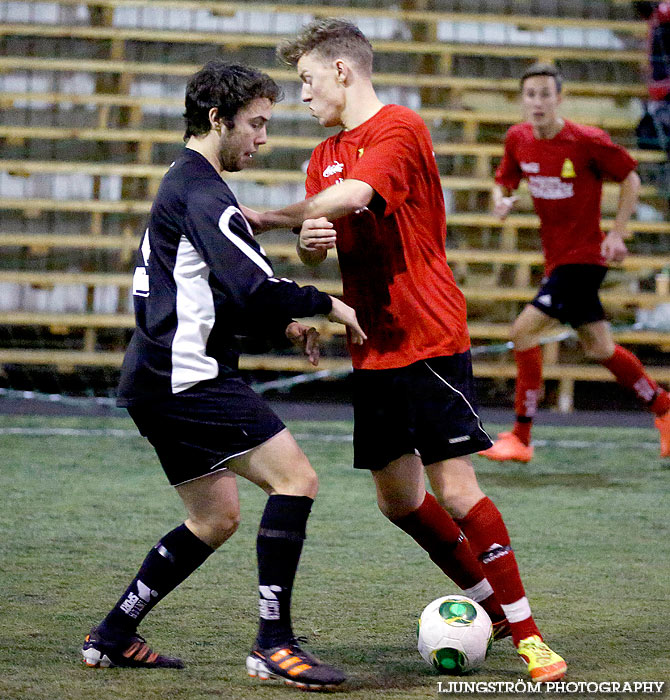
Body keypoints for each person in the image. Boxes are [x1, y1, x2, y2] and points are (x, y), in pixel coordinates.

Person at [247, 19, 566, 683]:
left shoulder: (400, 127)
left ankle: (529, 635)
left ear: (343, 70)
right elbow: (328, 222)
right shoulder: (321, 155)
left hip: (427, 335)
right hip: (374, 344)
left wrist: (269, 216)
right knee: (397, 499)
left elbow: (358, 195)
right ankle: (489, 605)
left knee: (455, 487)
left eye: (307, 80)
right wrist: (309, 243)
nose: (301, 96)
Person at [80, 60, 368, 691]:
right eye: (256, 124)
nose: (262, 138)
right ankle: (273, 646)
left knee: (214, 518)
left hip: (157, 378)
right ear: (218, 119)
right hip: (190, 378)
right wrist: (324, 303)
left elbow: (223, 287)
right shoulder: (204, 189)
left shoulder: (191, 184)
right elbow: (253, 288)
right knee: (295, 480)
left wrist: (286, 319)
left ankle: (113, 634)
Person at [478, 63, 670, 464]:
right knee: (599, 347)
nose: (538, 102)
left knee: (523, 331)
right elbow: (505, 178)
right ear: (522, 100)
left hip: (585, 258)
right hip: (557, 260)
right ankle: (663, 408)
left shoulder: (586, 140)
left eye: (546, 94)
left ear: (559, 98)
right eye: (530, 94)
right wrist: (502, 199)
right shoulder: (518, 138)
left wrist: (616, 233)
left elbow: (631, 177)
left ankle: (522, 437)